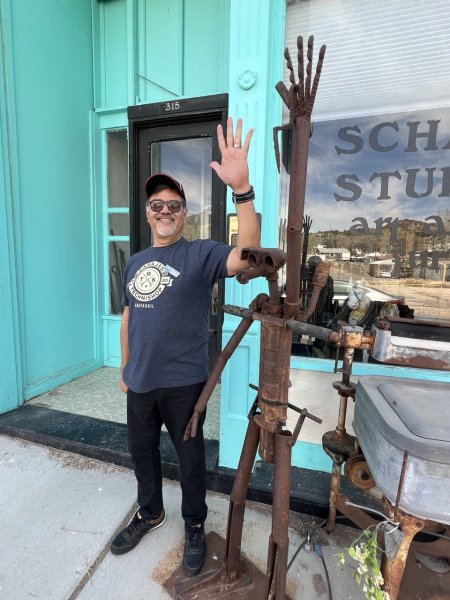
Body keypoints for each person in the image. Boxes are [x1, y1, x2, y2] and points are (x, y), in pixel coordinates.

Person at [110, 117, 260, 578]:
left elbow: (247, 255)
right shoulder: (136, 261)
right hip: (141, 382)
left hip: (184, 384)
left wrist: (242, 190)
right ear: (148, 213)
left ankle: (194, 524)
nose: (164, 211)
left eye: (173, 205)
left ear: (184, 213)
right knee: (142, 453)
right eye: (157, 204)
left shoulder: (200, 254)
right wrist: (125, 365)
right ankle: (150, 512)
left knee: (191, 461)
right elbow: (130, 316)